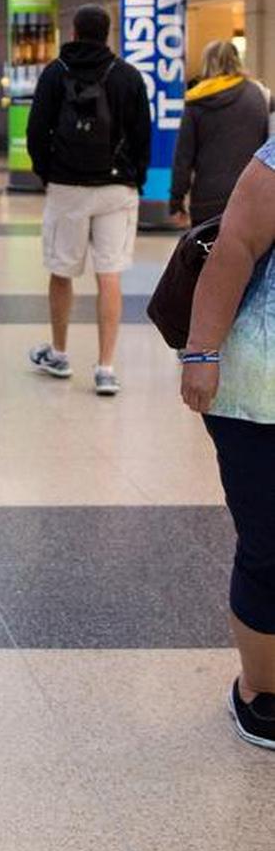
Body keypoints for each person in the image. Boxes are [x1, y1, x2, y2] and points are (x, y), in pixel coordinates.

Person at [177, 134, 275, 748]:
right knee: (269, 543)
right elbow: (234, 247)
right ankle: (261, 690)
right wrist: (202, 353)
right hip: (262, 392)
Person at [25, 3, 151, 396]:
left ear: (74, 31)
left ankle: (60, 353)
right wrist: (135, 179)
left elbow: (36, 131)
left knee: (62, 271)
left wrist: (49, 173)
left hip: (66, 187)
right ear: (108, 33)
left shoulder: (54, 73)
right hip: (116, 188)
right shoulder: (128, 76)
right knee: (109, 274)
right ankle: (106, 367)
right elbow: (143, 135)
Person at [169, 40, 269, 228]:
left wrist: (176, 201)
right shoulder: (258, 94)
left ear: (207, 62)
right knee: (248, 256)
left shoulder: (196, 99)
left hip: (207, 201)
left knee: (208, 255)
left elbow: (183, 157)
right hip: (251, 196)